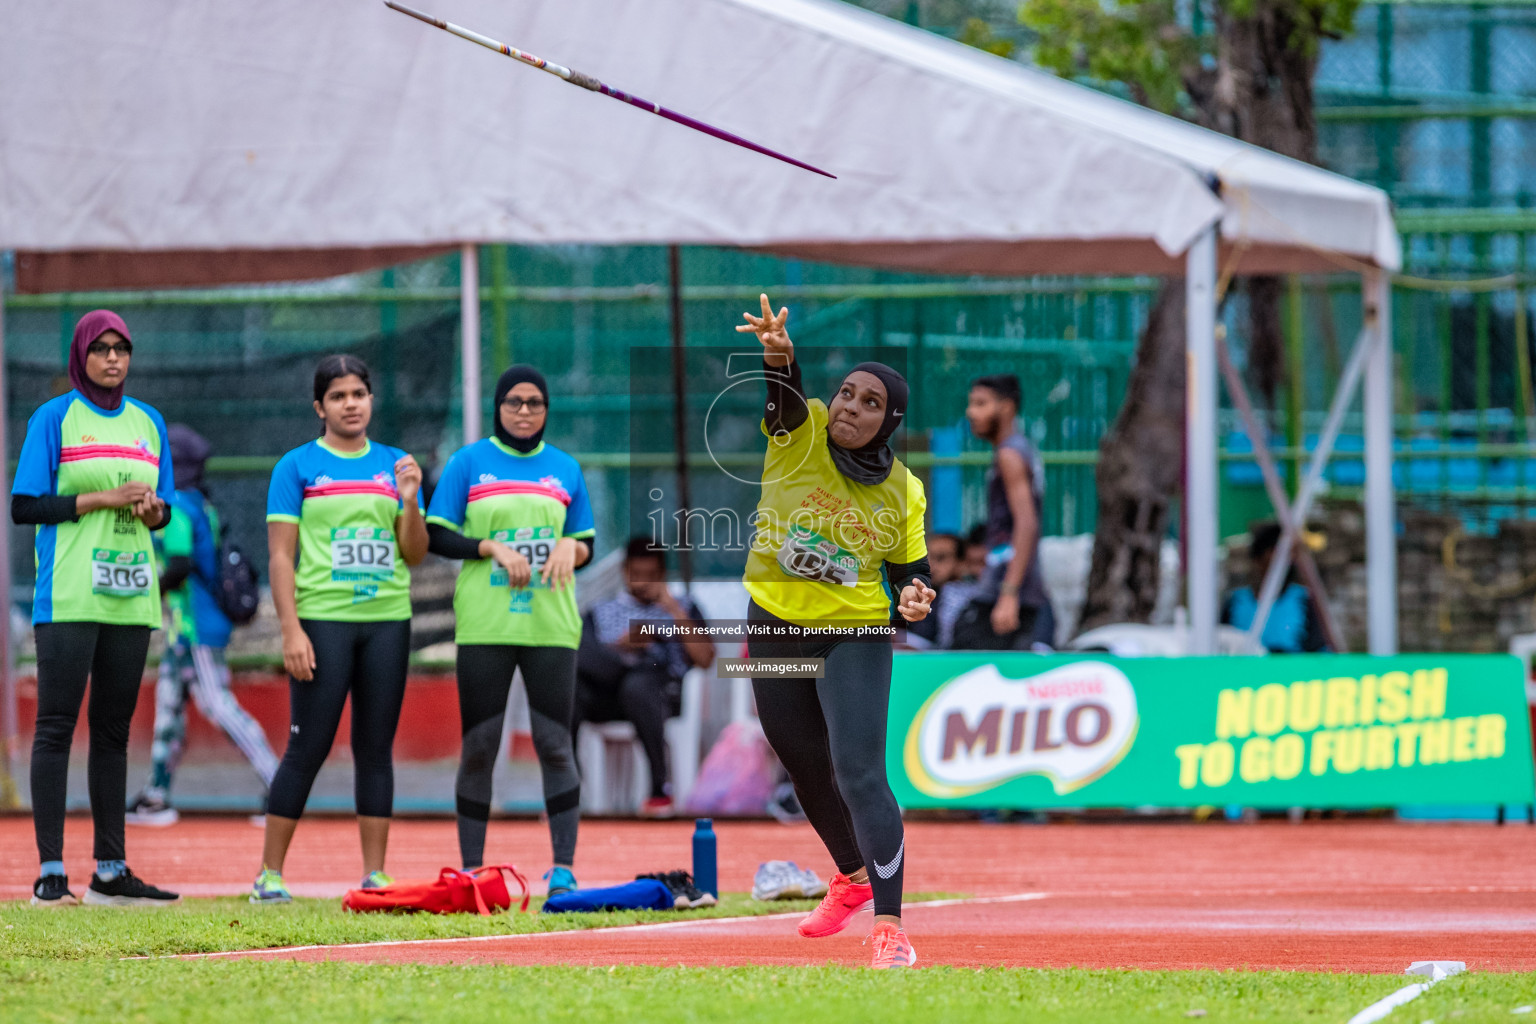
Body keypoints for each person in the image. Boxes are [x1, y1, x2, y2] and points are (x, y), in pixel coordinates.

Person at [735, 294, 934, 969]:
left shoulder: (904, 490)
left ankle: (890, 928)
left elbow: (914, 571)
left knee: (858, 770)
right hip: (774, 622)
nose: (850, 406)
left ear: (890, 421)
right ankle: (848, 874)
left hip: (854, 633)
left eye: (869, 402)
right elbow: (784, 394)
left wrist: (914, 595)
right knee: (800, 757)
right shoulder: (802, 431)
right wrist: (778, 357)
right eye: (846, 393)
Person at [14, 310, 180, 906]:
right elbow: (25, 507)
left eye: (122, 348)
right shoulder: (55, 418)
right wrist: (102, 498)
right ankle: (50, 874)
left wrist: (152, 512)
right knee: (56, 728)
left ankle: (111, 870)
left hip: (132, 593)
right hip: (69, 594)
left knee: (113, 732)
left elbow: (167, 512)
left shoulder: (149, 422)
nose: (113, 358)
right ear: (80, 355)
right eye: (101, 348)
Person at [251, 356, 428, 903]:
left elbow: (415, 554)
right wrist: (291, 630)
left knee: (375, 748)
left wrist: (410, 501)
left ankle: (375, 873)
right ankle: (270, 876)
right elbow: (281, 558)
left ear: (371, 400)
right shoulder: (297, 467)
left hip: (387, 622)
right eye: (339, 396)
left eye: (359, 393)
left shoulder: (398, 464)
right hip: (322, 621)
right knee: (308, 746)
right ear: (319, 407)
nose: (351, 404)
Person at [425, 365, 594, 896]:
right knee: (480, 746)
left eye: (535, 403)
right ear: (498, 406)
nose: (525, 411)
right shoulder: (468, 463)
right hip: (486, 623)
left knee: (554, 745)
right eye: (514, 402)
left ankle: (562, 868)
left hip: (550, 624)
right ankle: (472, 870)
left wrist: (574, 547)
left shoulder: (565, 468)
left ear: (546, 410)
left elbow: (584, 540)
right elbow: (435, 534)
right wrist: (489, 547)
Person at [128, 425, 278, 826]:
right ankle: (156, 795)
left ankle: (280, 786)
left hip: (196, 627)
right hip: (184, 630)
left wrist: (141, 592)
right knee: (169, 709)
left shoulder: (176, 503)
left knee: (218, 704)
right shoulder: (200, 501)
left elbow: (177, 566)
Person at [574, 536, 714, 817]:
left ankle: (659, 788)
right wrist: (622, 647)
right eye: (636, 575)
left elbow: (706, 659)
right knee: (571, 685)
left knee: (638, 683)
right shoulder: (600, 610)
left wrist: (672, 610)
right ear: (625, 571)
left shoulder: (684, 606)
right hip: (606, 693)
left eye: (650, 576)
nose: (641, 583)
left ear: (661, 574)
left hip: (659, 693)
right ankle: (568, 789)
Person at [952, 374, 1055, 650]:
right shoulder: (1019, 450)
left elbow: (1027, 523)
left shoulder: (1009, 455)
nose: (971, 412)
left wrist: (1009, 593)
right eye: (971, 404)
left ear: (1006, 407)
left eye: (981, 403)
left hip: (1007, 593)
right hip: (1011, 589)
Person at [1222, 523, 1330, 653]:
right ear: (1258, 558)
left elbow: (1318, 652)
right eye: (1275, 551)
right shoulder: (1235, 602)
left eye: (1289, 553)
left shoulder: (1305, 600)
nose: (1286, 559)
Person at [904, 532, 959, 649]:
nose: (930, 565)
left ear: (962, 563)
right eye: (925, 557)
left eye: (940, 558)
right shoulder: (919, 593)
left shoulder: (971, 600)